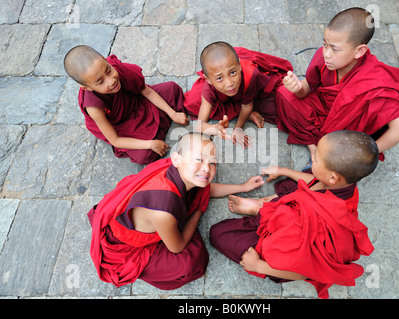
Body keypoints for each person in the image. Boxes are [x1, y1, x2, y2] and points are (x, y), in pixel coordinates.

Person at [210, 130, 378, 299]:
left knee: (218, 233)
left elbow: (305, 270)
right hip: (292, 214)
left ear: (333, 178)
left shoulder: (323, 224)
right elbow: (313, 183)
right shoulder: (344, 187)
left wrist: (258, 266)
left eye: (316, 158)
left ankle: (261, 207)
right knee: (292, 183)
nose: (312, 158)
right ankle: (263, 205)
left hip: (286, 246)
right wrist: (284, 170)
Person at [88, 132, 265, 289]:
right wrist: (198, 211)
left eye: (213, 163)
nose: (207, 168)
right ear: (177, 159)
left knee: (198, 191)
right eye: (199, 159)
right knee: (193, 261)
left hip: (154, 218)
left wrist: (242, 187)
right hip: (126, 246)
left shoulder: (177, 170)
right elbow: (177, 247)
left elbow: (205, 188)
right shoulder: (164, 209)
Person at [276, 7, 399, 166]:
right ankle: (314, 147)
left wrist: (363, 151)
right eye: (325, 44)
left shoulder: (375, 80)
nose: (326, 53)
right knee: (283, 93)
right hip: (323, 109)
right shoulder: (325, 58)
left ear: (359, 51)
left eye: (334, 49)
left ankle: (326, 149)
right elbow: (306, 88)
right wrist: (297, 88)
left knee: (342, 153)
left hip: (347, 129)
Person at [64, 45, 190, 165]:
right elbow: (115, 140)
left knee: (172, 89)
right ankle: (158, 126)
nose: (112, 81)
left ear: (105, 59)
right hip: (121, 126)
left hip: (135, 101)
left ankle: (160, 123)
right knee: (145, 155)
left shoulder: (119, 69)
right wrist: (150, 144)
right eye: (101, 82)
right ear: (86, 87)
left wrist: (173, 114)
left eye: (108, 71)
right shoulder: (93, 107)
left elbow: (146, 91)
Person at [184, 41, 293, 148]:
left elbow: (247, 106)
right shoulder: (209, 87)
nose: (229, 83)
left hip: (249, 89)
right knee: (193, 101)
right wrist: (215, 128)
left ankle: (243, 112)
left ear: (240, 66)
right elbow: (199, 125)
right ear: (208, 80)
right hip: (229, 92)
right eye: (220, 78)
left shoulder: (251, 75)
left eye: (232, 73)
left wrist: (238, 128)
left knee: (279, 107)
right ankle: (243, 112)